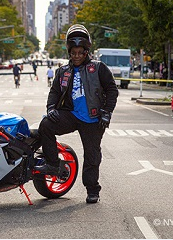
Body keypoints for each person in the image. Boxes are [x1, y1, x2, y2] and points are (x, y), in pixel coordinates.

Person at [34, 24, 119, 204]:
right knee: (46, 125)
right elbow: (54, 92)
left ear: (87, 51)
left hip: (93, 120)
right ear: (69, 52)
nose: (77, 56)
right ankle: (53, 165)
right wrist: (51, 109)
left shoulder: (98, 68)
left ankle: (92, 189)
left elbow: (112, 90)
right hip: (70, 115)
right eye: (74, 53)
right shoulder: (63, 71)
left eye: (81, 52)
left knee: (92, 155)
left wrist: (106, 113)